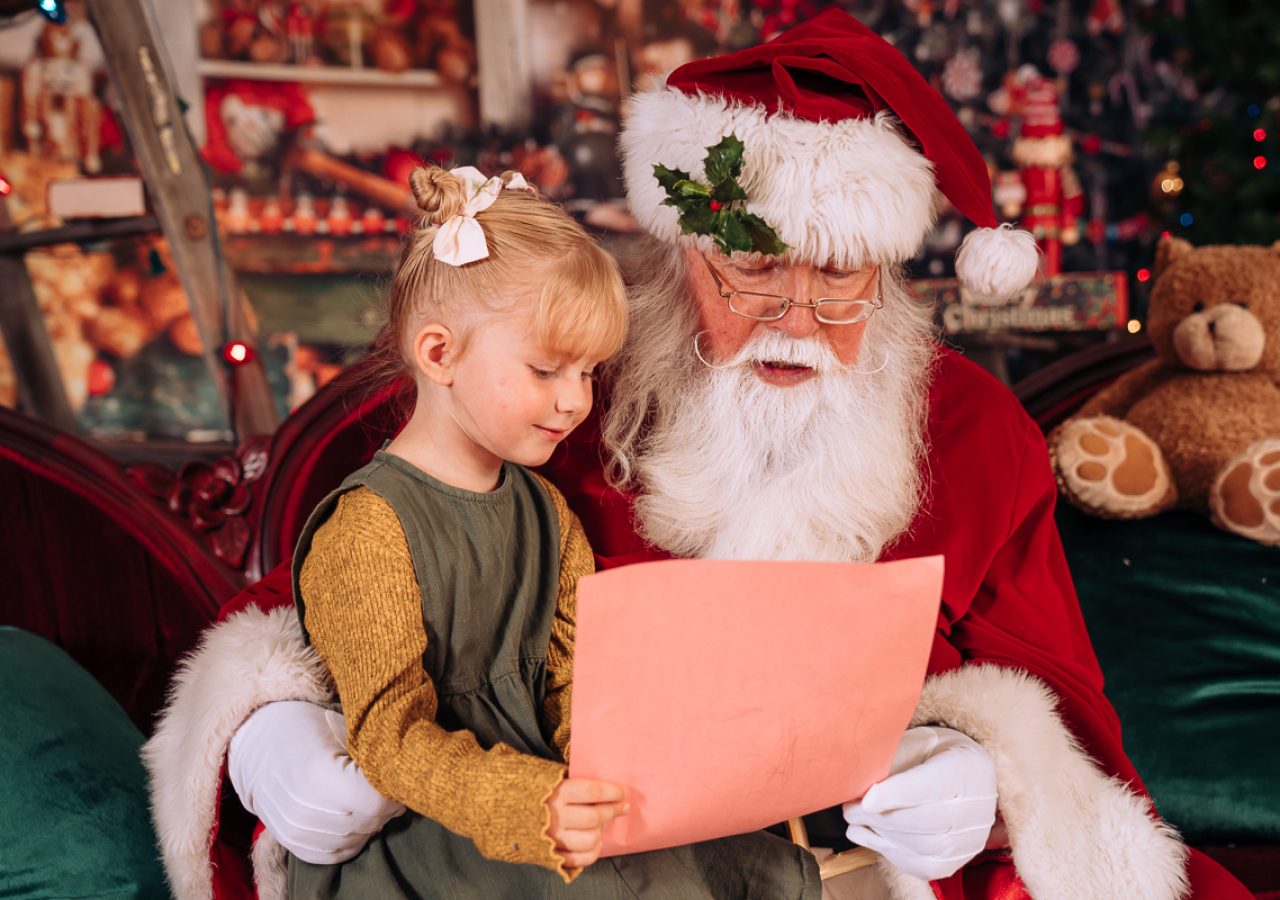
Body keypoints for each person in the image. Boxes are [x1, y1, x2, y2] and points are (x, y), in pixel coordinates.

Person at [144, 11, 1251, 900]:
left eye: (838, 274)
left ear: (888, 273)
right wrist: (270, 732)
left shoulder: (967, 430)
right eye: (750, 268)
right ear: (680, 260)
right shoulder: (571, 392)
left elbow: (1056, 692)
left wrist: (989, 773)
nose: (794, 314)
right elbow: (361, 569)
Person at [278, 161, 819, 898]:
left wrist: (627, 774)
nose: (574, 402)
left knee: (745, 871)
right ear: (439, 354)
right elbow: (390, 739)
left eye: (590, 372)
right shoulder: (367, 529)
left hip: (555, 793)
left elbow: (575, 685)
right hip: (442, 827)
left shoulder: (546, 512)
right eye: (545, 369)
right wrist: (530, 803)